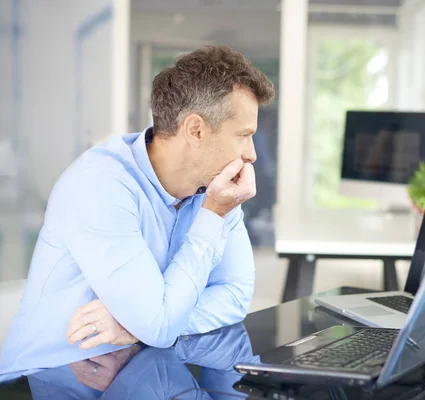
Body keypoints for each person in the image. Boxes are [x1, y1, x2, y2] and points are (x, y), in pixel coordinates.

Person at [0, 45, 275, 376]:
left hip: (136, 365)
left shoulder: (215, 189)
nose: (252, 155)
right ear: (196, 130)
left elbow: (234, 296)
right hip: (48, 377)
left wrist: (137, 326)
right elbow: (159, 326)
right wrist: (213, 216)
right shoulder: (100, 185)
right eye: (244, 136)